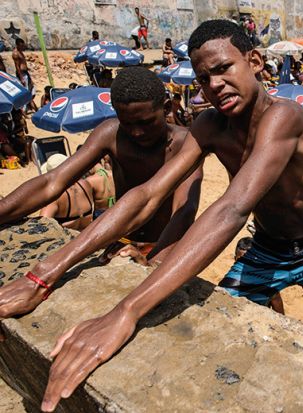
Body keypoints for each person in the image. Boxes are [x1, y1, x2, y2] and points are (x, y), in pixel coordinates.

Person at [36, 20, 303, 411]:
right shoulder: (209, 125)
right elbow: (150, 193)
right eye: (204, 78)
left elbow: (232, 208)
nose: (214, 84)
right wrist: (47, 271)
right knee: (209, 339)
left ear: (254, 61)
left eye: (222, 69)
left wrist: (126, 310)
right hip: (266, 250)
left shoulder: (284, 117)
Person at [0, 67, 204, 324]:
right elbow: (53, 181)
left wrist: (155, 259)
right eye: (128, 123)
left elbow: (184, 210)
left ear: (165, 108)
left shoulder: (188, 143)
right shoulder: (111, 133)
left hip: (164, 245)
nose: (137, 132)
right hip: (118, 239)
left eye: (145, 122)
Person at [39, 154, 95, 231]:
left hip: (70, 241)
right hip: (87, 236)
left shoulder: (55, 197)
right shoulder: (86, 184)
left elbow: (42, 226)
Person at [234, 237, 284, 314]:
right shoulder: (231, 282)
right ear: (235, 260)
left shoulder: (269, 286)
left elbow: (280, 315)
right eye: (241, 260)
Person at [12, 38, 38, 113]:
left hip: (26, 73)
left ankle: (29, 107)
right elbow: (17, 66)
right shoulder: (15, 53)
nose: (22, 47)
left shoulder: (20, 52)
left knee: (32, 90)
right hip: (22, 74)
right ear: (17, 45)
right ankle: (24, 110)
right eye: (21, 46)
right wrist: (21, 78)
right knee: (26, 92)